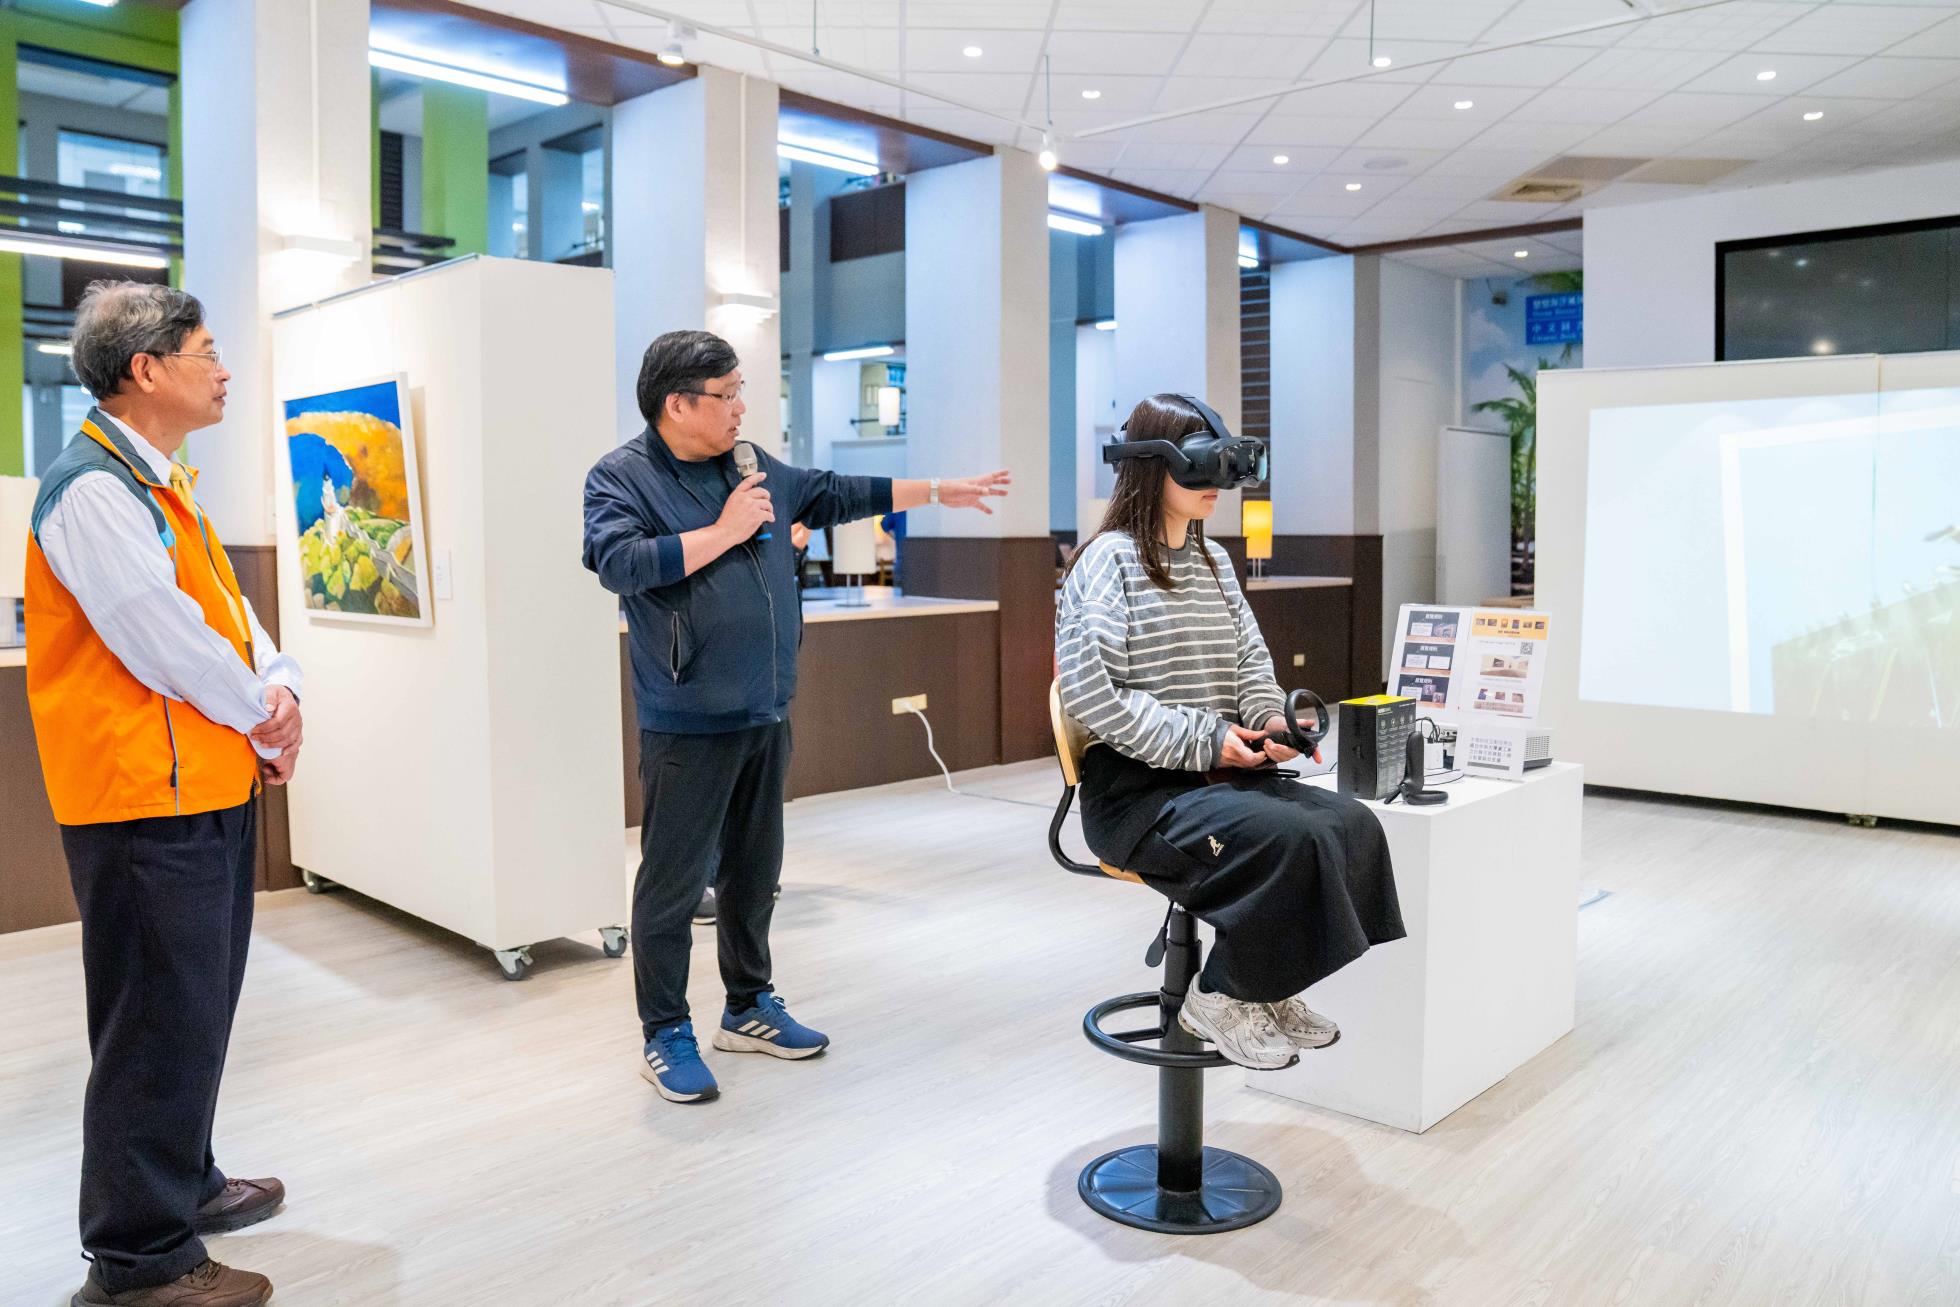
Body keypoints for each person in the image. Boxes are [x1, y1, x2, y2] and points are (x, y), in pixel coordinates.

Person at [583, 329, 1010, 1104]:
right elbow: (619, 564)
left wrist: (939, 490)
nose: (741, 408)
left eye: (740, 391)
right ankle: (665, 1031)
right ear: (677, 404)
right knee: (672, 887)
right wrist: (725, 531)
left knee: (755, 874)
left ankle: (748, 1006)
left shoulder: (750, 466)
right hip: (686, 717)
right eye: (727, 395)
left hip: (765, 708)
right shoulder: (622, 476)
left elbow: (836, 492)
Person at [24, 282, 303, 1307]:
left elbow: (228, 614)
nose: (224, 368)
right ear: (145, 369)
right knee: (152, 1024)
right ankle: (139, 1260)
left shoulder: (165, 482)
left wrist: (280, 685)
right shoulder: (93, 488)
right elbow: (164, 638)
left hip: (202, 783)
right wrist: (263, 712)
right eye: (207, 350)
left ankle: (184, 1181)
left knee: (194, 1010)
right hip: (145, 799)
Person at [1054, 392, 1404, 1071]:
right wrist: (1207, 739)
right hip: (1137, 794)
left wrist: (1271, 721)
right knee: (1291, 840)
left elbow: (1249, 664)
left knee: (1352, 825)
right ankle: (1222, 993)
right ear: (1151, 465)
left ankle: (1266, 984)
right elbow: (1095, 696)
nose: (1216, 484)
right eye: (1201, 466)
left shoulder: (1213, 560)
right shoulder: (1107, 562)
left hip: (1217, 776)